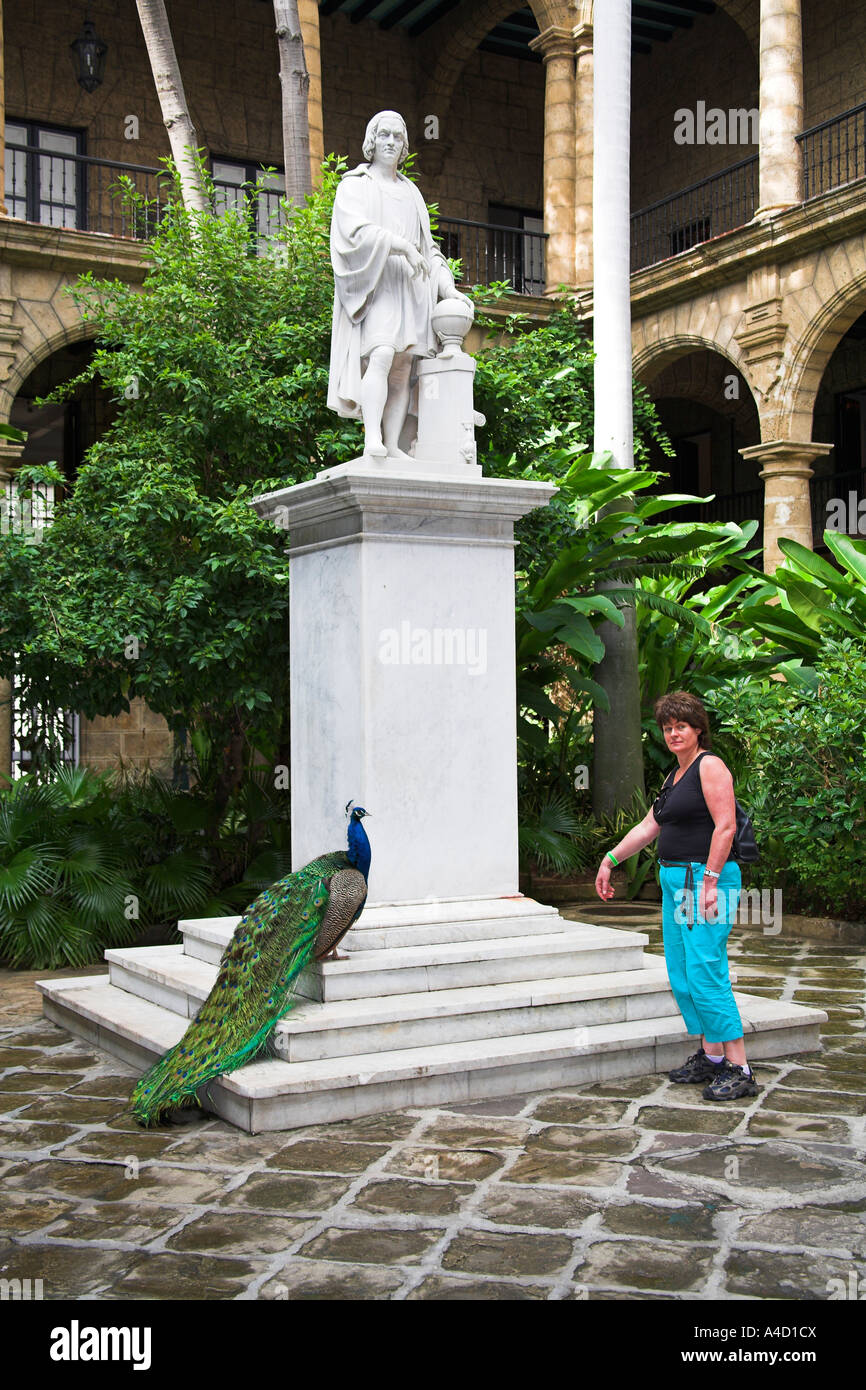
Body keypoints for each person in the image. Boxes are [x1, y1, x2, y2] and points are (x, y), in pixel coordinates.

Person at [594, 690, 758, 1102]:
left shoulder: (710, 767)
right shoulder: (675, 776)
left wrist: (709, 881)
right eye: (667, 728)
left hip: (703, 880)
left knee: (706, 970)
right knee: (682, 973)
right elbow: (650, 827)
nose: (673, 734)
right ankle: (712, 1057)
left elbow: (724, 827)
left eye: (680, 726)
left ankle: (740, 1067)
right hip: (676, 881)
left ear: (698, 729)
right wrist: (610, 859)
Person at [327, 110, 472, 461]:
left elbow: (428, 250)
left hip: (411, 287)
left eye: (397, 137)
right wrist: (400, 246)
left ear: (405, 146)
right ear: (371, 142)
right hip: (377, 282)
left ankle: (391, 444)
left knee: (404, 368)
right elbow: (353, 234)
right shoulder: (355, 185)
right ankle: (372, 438)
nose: (391, 142)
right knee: (381, 354)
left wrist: (447, 287)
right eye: (384, 135)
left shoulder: (412, 194)